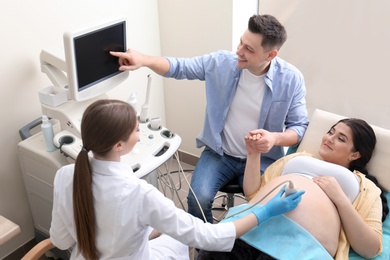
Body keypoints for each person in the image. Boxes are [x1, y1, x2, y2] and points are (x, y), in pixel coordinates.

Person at [110, 14, 309, 223]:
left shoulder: (290, 79)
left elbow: (299, 127)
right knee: (198, 199)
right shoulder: (222, 63)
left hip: (262, 160)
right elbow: (180, 67)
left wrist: (274, 139)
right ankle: (208, 247)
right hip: (219, 153)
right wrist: (144, 60)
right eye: (241, 42)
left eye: (249, 49)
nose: (239, 51)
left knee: (262, 206)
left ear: (270, 55)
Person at [49, 99, 305, 260]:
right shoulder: (139, 194)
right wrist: (265, 211)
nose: (140, 133)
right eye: (137, 130)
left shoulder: (65, 175)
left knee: (165, 228)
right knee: (181, 238)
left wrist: (134, 233)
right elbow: (210, 237)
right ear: (118, 145)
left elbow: (61, 241)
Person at [198, 118, 389, 260]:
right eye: (330, 132)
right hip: (252, 227)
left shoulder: (366, 187)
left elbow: (370, 248)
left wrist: (340, 198)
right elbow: (253, 194)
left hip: (298, 249)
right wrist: (253, 154)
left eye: (340, 138)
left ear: (355, 154)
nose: (329, 138)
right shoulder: (296, 159)